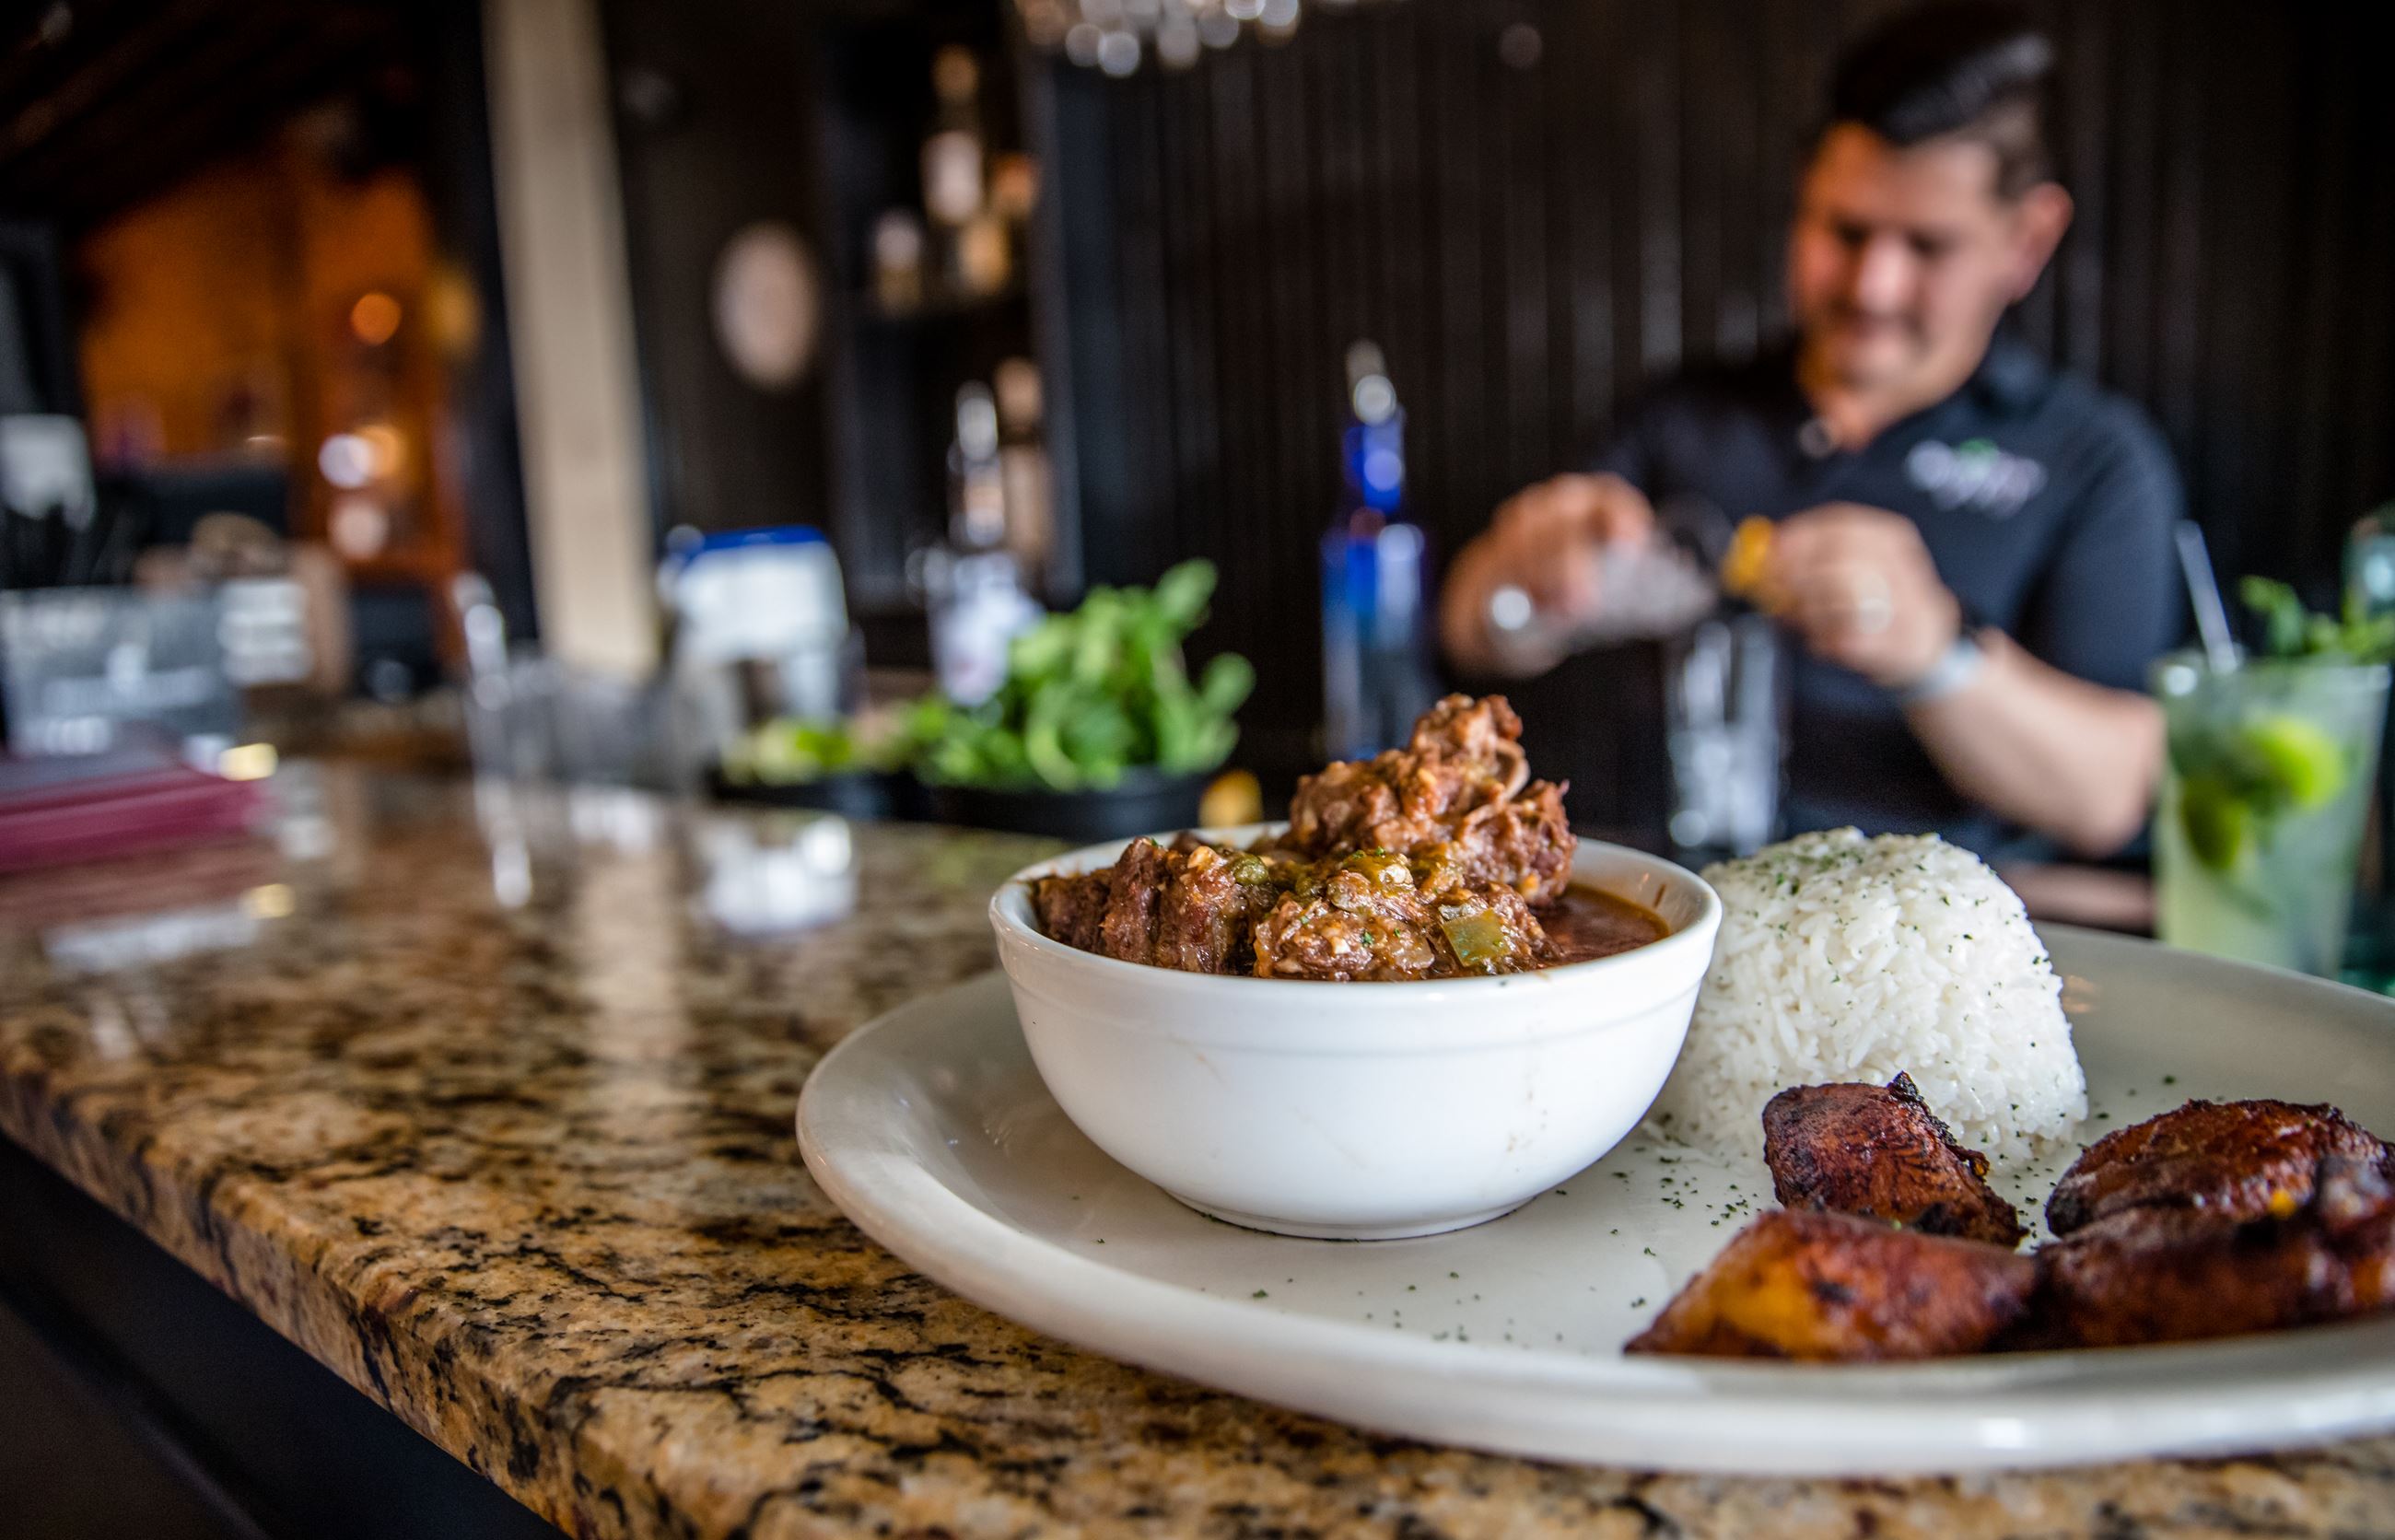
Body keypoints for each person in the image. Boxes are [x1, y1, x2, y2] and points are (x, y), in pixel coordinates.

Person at [1439, 3, 2182, 859]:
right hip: (1666, 897)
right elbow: (1469, 631)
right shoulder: (1683, 414)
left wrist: (1933, 652)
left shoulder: (2092, 457)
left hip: (1932, 934)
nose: (1873, 285)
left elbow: (2112, 791)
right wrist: (1522, 589)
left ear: (2027, 239)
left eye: (1928, 246)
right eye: (1846, 229)